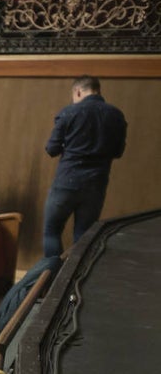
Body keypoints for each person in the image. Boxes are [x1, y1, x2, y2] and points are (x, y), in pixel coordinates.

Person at [42, 75, 127, 257]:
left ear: (78, 91)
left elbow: (51, 149)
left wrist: (69, 146)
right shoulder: (116, 115)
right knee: (84, 236)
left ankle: (51, 278)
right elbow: (118, 152)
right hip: (96, 184)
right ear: (98, 90)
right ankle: (73, 282)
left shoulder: (69, 113)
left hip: (66, 181)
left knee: (52, 231)